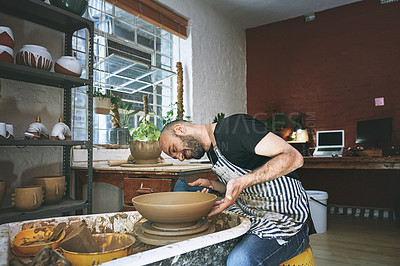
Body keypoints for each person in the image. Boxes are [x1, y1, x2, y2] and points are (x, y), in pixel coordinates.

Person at [160, 113, 312, 266]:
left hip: (285, 220)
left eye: (174, 149)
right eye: (174, 157)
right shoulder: (212, 151)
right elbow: (246, 186)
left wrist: (242, 181)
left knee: (240, 261)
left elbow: (294, 157)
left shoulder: (236, 127)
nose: (180, 158)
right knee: (183, 187)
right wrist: (212, 185)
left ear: (180, 129)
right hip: (251, 213)